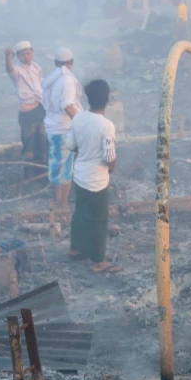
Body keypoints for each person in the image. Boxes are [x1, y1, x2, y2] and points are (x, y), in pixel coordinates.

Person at [66, 79, 118, 273]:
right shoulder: (106, 125)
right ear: (107, 99)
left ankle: (74, 248)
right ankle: (98, 261)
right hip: (97, 179)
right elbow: (109, 157)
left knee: (80, 212)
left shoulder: (78, 118)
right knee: (99, 219)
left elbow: (71, 146)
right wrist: (112, 167)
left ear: (88, 98)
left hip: (79, 174)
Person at [43, 48, 82, 212]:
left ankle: (59, 200)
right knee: (66, 168)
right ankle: (63, 205)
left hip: (52, 127)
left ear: (55, 63)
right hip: (64, 128)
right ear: (72, 62)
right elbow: (67, 104)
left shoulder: (51, 78)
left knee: (57, 165)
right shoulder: (66, 80)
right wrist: (82, 122)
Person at [5, 41, 47, 178]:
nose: (26, 57)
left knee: (42, 141)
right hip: (27, 113)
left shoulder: (36, 68)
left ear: (32, 53)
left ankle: (43, 172)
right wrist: (7, 57)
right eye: (23, 55)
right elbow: (10, 70)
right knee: (28, 144)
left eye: (28, 53)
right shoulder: (18, 71)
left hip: (40, 108)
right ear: (18, 56)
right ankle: (29, 175)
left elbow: (42, 84)